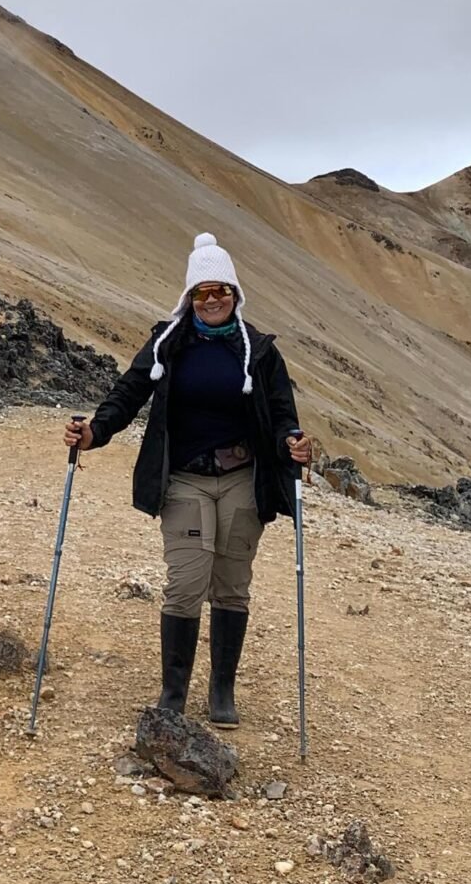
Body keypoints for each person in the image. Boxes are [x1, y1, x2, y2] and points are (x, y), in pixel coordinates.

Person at [63, 232, 311, 728]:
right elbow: (129, 392)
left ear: (236, 295)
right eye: (203, 291)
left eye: (222, 289)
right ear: (189, 297)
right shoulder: (167, 343)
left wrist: (294, 443)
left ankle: (221, 691)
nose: (213, 298)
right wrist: (95, 432)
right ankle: (173, 690)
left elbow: (283, 414)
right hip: (184, 479)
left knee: (232, 584)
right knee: (185, 582)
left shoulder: (258, 351)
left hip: (242, 478)